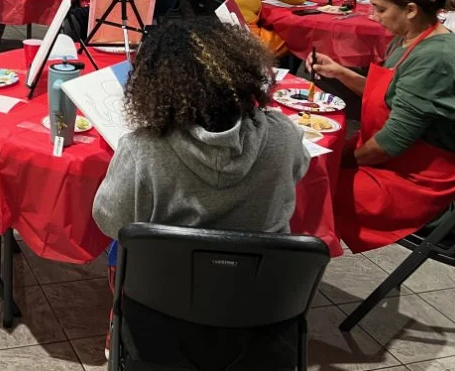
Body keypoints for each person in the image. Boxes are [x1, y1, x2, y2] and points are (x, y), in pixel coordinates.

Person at [309, 0, 455, 253]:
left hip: (423, 184)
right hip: (402, 162)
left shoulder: (435, 58)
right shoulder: (410, 38)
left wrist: (340, 159)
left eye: (380, 9)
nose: (374, 16)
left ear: (411, 9)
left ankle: (294, 273)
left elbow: (390, 144)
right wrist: (340, 73)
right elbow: (389, 95)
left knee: (312, 187)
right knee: (313, 169)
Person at [94, 15, 309, 238]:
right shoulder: (283, 133)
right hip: (262, 270)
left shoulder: (141, 150)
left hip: (167, 270)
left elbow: (110, 220)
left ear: (153, 90)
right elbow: (300, 168)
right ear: (244, 71)